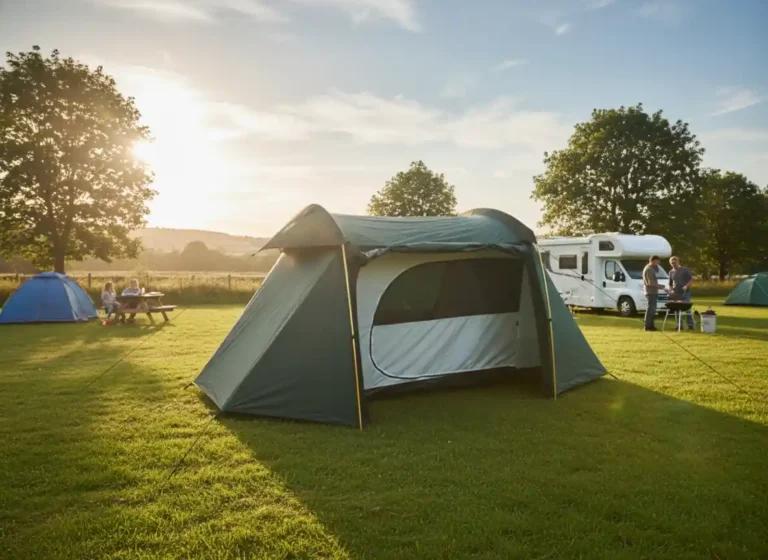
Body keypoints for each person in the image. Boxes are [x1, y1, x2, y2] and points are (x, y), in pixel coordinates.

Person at [668, 256, 695, 330]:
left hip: (685, 293)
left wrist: (686, 286)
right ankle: (679, 325)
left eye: (675, 262)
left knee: (687, 309)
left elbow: (691, 280)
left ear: (678, 262)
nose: (673, 263)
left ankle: (690, 325)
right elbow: (670, 283)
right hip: (676, 294)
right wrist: (670, 290)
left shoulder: (685, 270)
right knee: (677, 310)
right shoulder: (671, 272)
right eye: (672, 262)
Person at [642, 255, 667, 331]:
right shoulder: (649, 269)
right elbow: (650, 282)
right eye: (657, 262)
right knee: (651, 309)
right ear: (652, 260)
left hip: (652, 291)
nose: (658, 264)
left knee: (652, 308)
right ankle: (648, 326)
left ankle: (650, 325)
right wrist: (661, 286)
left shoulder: (651, 268)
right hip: (651, 292)